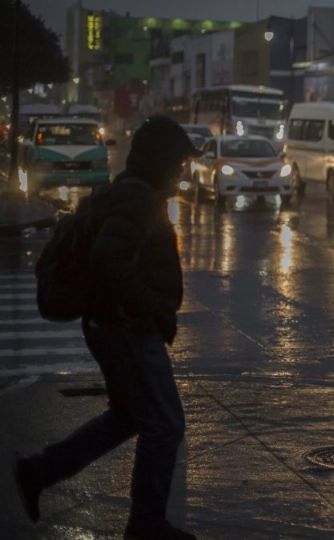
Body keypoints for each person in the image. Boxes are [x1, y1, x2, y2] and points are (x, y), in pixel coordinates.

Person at [12, 116, 201, 540]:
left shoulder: (133, 192)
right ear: (162, 161)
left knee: (128, 417)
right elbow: (109, 258)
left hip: (115, 325)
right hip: (126, 328)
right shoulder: (137, 199)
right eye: (179, 162)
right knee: (165, 424)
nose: (183, 171)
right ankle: (146, 523)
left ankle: (39, 471)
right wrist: (150, 308)